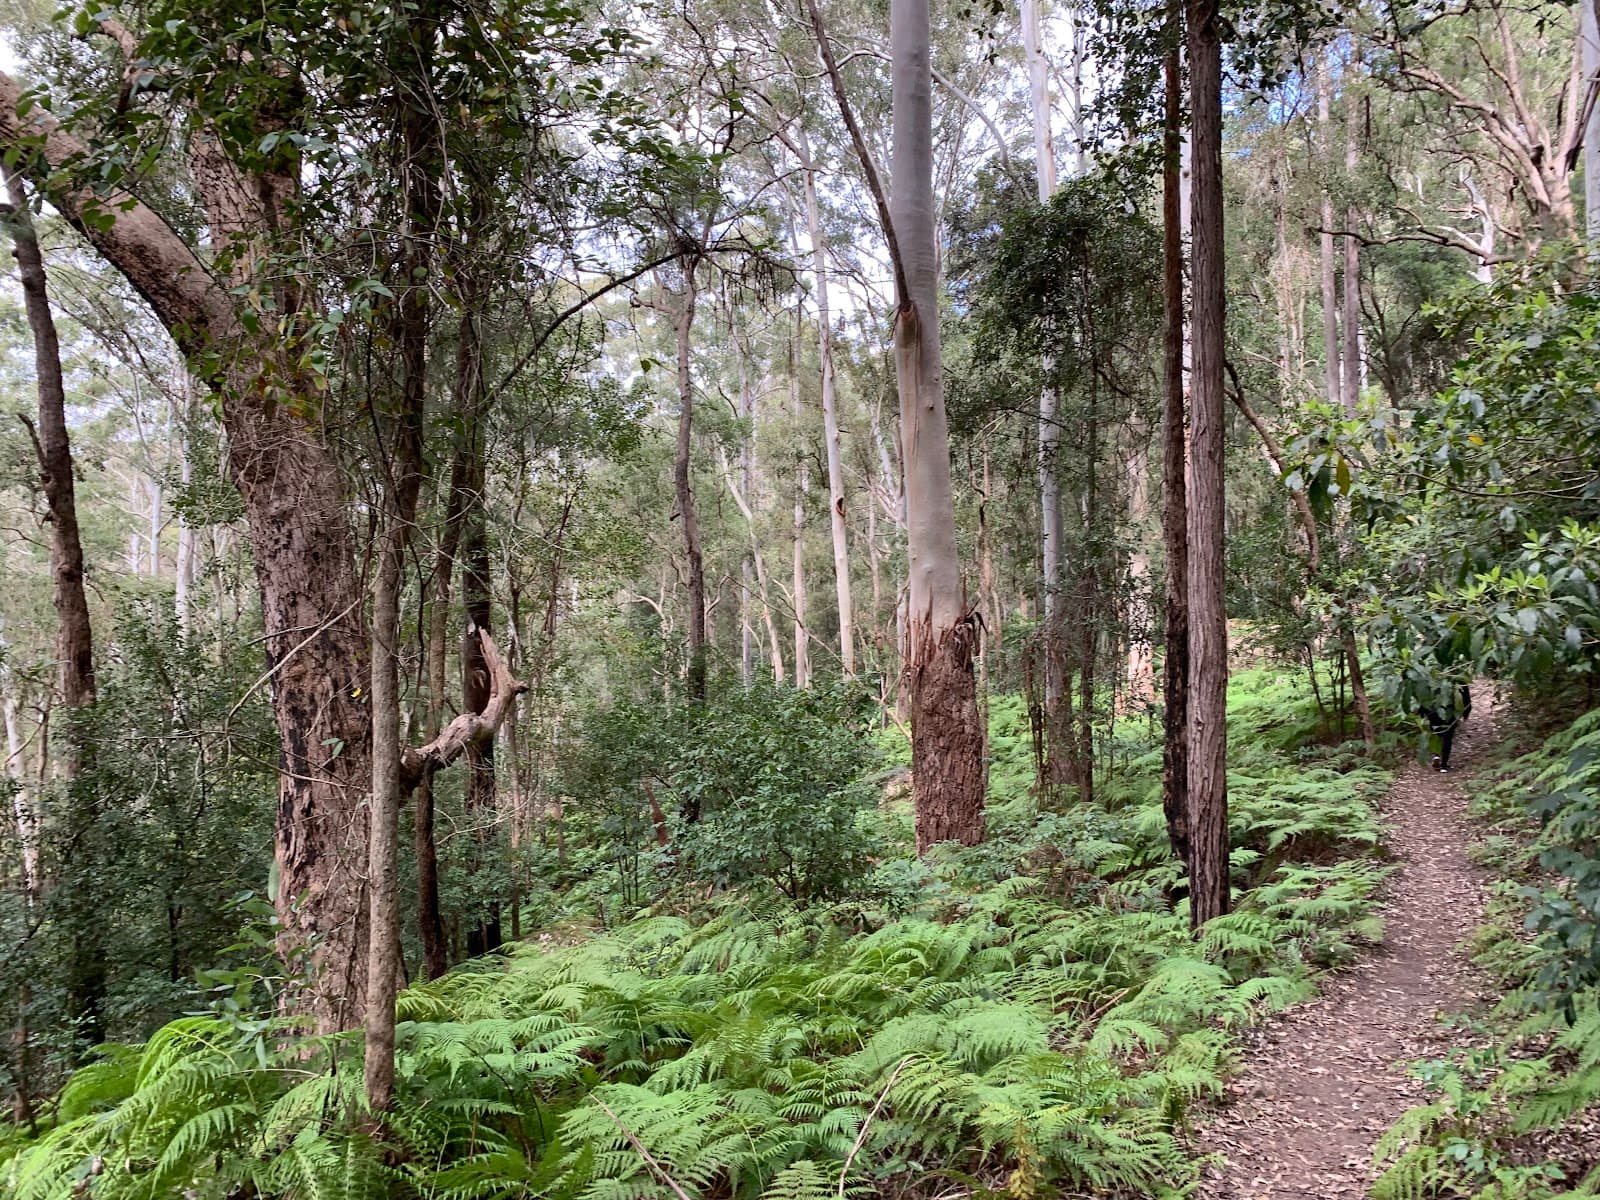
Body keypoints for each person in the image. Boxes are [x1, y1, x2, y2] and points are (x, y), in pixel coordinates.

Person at [1422, 683, 1473, 771]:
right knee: (1447, 737)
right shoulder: (1459, 680)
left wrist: (1423, 712)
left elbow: (1423, 694)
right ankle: (1443, 765)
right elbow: (1466, 699)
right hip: (1451, 710)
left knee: (1436, 733)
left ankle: (1436, 755)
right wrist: (1465, 713)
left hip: (1433, 709)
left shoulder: (1431, 677)